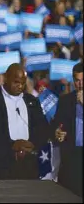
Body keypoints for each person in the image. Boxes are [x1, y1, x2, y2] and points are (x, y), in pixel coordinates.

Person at [0, 63, 49, 179]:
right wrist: (12, 146)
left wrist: (32, 144)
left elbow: (43, 128)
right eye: (16, 82)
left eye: (23, 83)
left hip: (27, 168)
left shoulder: (32, 102)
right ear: (6, 78)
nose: (20, 86)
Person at [52, 62, 83, 197]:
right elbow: (55, 125)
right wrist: (56, 133)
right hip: (71, 160)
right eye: (77, 80)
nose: (80, 85)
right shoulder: (65, 101)